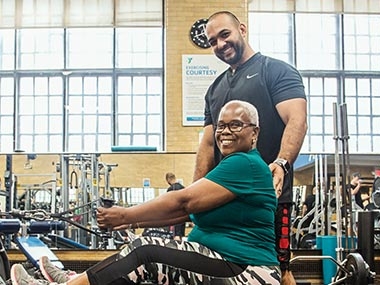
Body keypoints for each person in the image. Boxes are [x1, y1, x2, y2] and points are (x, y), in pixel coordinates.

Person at [10, 100, 281, 285]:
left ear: (254, 132)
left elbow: (183, 202)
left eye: (236, 125)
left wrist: (126, 214)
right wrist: (132, 221)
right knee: (142, 256)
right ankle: (74, 279)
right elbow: (184, 213)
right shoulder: (233, 166)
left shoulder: (244, 163)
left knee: (147, 250)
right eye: (221, 126)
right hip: (224, 261)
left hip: (248, 272)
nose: (225, 132)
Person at [193, 11, 308, 285]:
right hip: (224, 194)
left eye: (225, 35)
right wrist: (194, 192)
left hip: (267, 195)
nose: (220, 45)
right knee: (220, 262)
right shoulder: (215, 88)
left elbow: (297, 119)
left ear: (242, 30)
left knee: (279, 268)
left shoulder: (276, 70)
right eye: (212, 42)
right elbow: (208, 143)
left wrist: (281, 163)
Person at [165, 172, 186, 240]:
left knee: (176, 238)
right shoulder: (183, 188)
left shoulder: (170, 189)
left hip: (175, 218)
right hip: (183, 216)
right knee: (181, 237)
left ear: (168, 180)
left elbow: (168, 205)